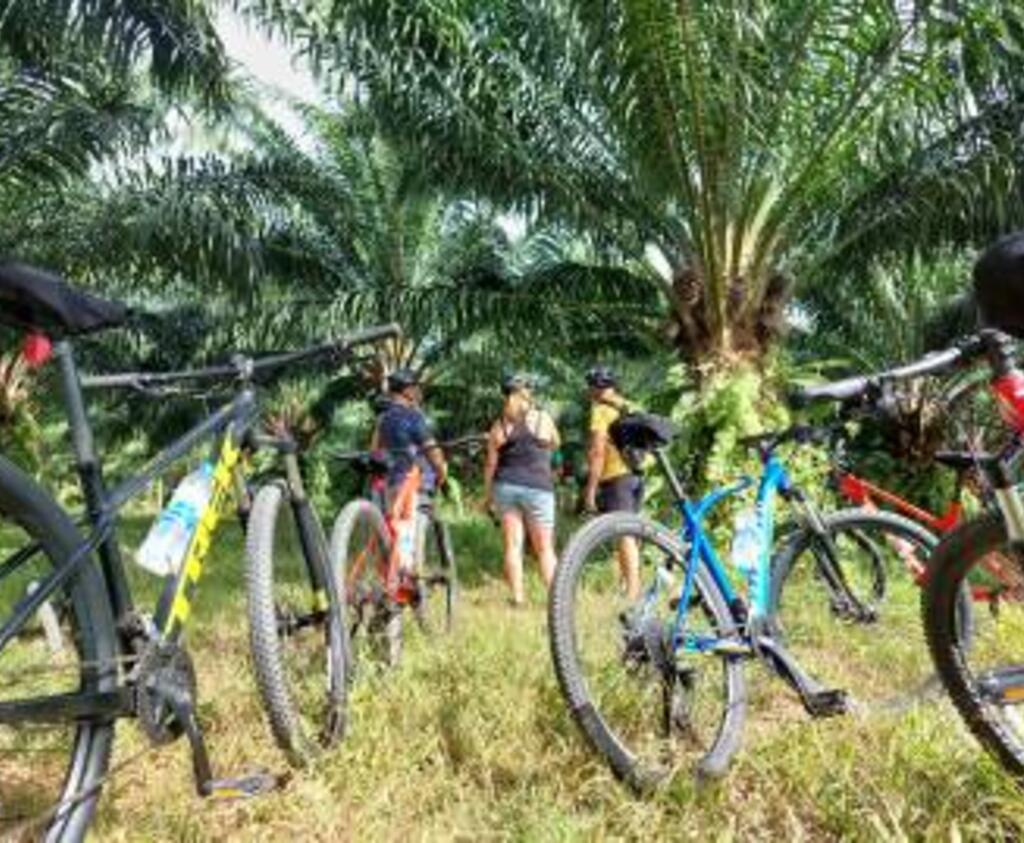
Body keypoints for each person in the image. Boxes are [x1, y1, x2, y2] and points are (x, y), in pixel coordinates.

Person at [483, 373, 560, 606]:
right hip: (539, 487)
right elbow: (555, 444)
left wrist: (487, 497)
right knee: (544, 549)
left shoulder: (499, 425)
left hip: (506, 486)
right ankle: (557, 601)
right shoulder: (542, 418)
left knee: (513, 546)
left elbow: (490, 465)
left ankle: (517, 598)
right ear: (526, 393)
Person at [372, 368, 448, 567]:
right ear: (408, 391)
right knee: (408, 532)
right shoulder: (413, 417)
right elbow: (432, 450)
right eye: (416, 387)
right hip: (411, 482)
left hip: (389, 481)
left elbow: (375, 450)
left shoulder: (383, 419)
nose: (418, 390)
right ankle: (405, 576)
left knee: (392, 529)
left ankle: (391, 572)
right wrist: (441, 471)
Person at [582, 365, 642, 599]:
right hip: (636, 475)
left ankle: (633, 591)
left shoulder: (601, 410)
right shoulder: (628, 406)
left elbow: (598, 452)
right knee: (630, 532)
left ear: (595, 388)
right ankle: (626, 585)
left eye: (590, 387)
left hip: (616, 477)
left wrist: (590, 489)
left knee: (624, 534)